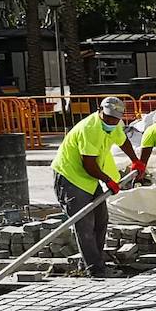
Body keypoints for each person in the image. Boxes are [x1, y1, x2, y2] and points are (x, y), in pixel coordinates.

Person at [51, 96, 143, 278]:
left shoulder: (114, 123)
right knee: (85, 224)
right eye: (108, 118)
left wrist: (136, 161)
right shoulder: (90, 129)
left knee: (101, 220)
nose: (111, 122)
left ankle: (92, 261)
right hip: (70, 177)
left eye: (115, 119)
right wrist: (108, 180)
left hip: (88, 178)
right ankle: (95, 269)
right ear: (100, 111)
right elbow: (89, 164)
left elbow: (122, 140)